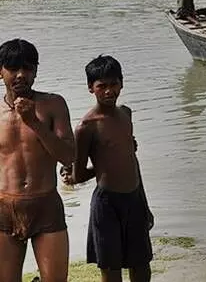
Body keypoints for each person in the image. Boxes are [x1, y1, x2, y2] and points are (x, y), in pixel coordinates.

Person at [62, 56, 153, 282]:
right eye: (102, 86)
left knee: (141, 265)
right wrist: (103, 165)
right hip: (106, 204)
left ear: (122, 83)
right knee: (111, 269)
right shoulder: (86, 127)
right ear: (91, 88)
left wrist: (145, 204)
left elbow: (132, 162)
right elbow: (79, 174)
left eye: (113, 84)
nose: (109, 91)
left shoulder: (126, 113)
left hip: (134, 199)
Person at [0, 39, 75, 282]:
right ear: (0, 71)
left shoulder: (53, 104)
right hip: (4, 206)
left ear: (36, 71)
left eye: (28, 68)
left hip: (45, 204)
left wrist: (33, 121)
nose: (21, 74)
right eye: (13, 68)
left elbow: (68, 156)